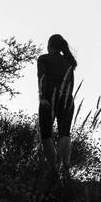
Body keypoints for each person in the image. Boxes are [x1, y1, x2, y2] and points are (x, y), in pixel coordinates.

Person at [36, 35, 77, 178]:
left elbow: (41, 78)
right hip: (67, 100)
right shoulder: (69, 62)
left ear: (49, 45)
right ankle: (66, 169)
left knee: (46, 134)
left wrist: (42, 97)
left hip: (48, 99)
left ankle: (54, 169)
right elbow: (70, 85)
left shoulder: (43, 59)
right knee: (64, 133)